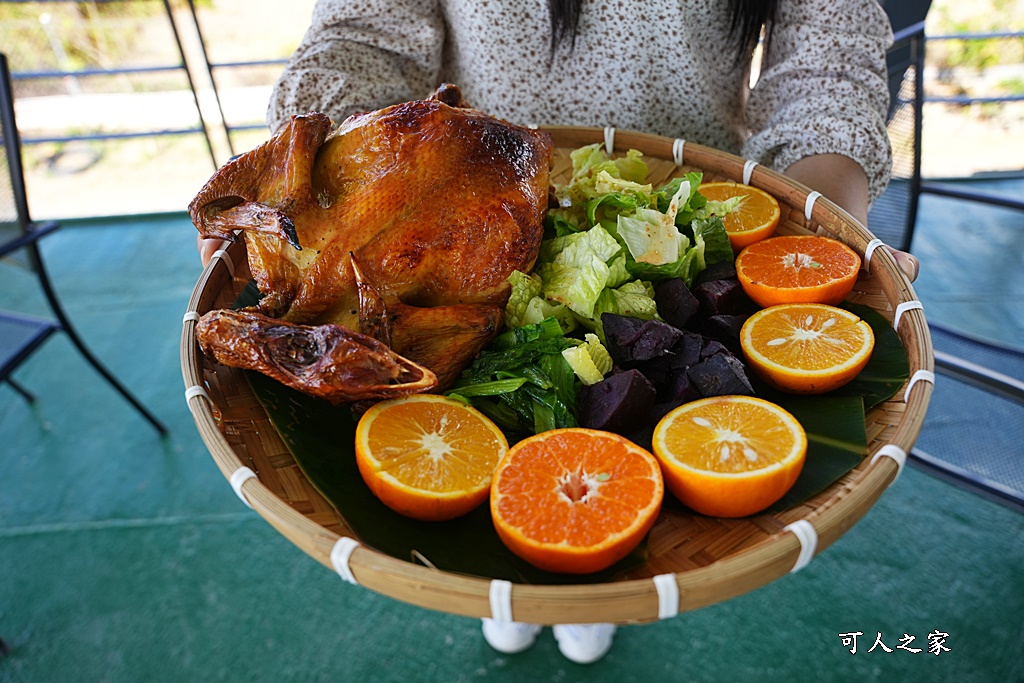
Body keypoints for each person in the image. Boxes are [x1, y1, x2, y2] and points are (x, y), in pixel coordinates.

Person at [197, 0, 919, 663]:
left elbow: (827, 65)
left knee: (603, 458)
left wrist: (825, 237)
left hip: (683, 201)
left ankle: (582, 583)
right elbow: (361, 36)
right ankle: (524, 572)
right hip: (434, 204)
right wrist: (338, 205)